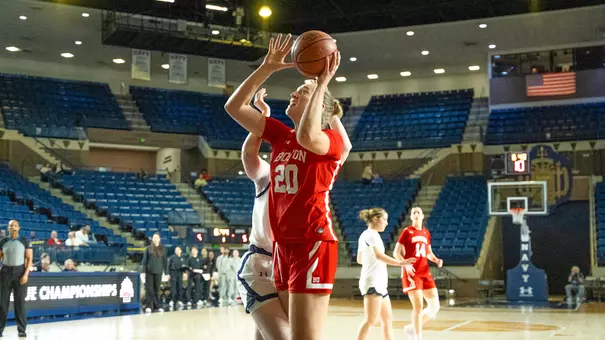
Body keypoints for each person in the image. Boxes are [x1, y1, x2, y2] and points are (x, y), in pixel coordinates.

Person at [225, 33, 350, 340]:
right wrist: (266, 67)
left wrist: (321, 82)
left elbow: (309, 137)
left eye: (302, 90)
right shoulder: (281, 136)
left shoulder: (328, 141)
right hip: (283, 247)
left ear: (321, 106)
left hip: (312, 241)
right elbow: (234, 107)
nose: (294, 93)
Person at [236, 89, 290, 340]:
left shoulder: (303, 181)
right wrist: (262, 117)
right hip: (261, 263)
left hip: (286, 265)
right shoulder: (268, 174)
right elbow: (248, 155)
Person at [356, 208, 416, 340]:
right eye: (385, 220)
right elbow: (379, 256)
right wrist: (401, 263)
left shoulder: (364, 235)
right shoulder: (372, 235)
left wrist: (372, 263)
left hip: (379, 283)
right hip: (373, 283)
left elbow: (360, 259)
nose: (387, 223)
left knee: (387, 319)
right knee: (370, 321)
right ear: (376, 219)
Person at [394, 207, 443, 340]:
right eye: (413, 213)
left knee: (435, 306)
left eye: (418, 212)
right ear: (411, 217)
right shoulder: (407, 232)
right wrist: (406, 264)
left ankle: (411, 328)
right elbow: (396, 253)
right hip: (412, 272)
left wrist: (436, 260)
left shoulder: (426, 233)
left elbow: (428, 253)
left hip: (425, 272)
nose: (416, 214)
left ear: (422, 216)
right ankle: (417, 336)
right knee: (418, 306)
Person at [0, 220, 33, 337]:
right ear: (8, 228)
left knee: (20, 304)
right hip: (5, 272)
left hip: (20, 272)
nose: (13, 228)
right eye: (10, 226)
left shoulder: (24, 241)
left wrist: (25, 274)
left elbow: (29, 259)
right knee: (2, 303)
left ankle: (21, 330)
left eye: (15, 226)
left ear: (18, 228)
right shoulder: (3, 241)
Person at [140, 233, 167, 313]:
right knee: (149, 290)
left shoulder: (163, 249)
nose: (155, 239)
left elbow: (165, 261)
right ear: (152, 239)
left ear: (159, 239)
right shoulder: (148, 249)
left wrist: (166, 272)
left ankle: (157, 305)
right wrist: (143, 272)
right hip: (149, 272)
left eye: (157, 238)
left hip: (159, 271)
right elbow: (144, 261)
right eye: (154, 238)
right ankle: (149, 306)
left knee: (157, 289)